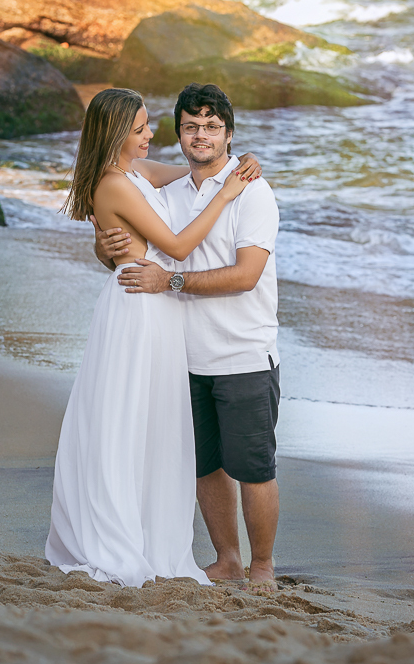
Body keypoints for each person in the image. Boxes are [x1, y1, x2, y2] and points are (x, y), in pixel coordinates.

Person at [45, 87, 258, 588]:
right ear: (117, 133)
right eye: (141, 128)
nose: (150, 134)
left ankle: (147, 533)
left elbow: (190, 172)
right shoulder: (113, 184)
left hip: (157, 305)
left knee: (155, 425)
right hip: (138, 307)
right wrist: (226, 195)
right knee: (126, 421)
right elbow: (178, 248)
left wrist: (236, 162)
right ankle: (117, 535)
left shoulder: (134, 172)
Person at [95, 83, 280, 591]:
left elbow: (246, 275)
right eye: (191, 126)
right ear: (179, 133)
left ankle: (263, 567)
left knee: (254, 468)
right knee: (204, 466)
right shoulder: (166, 191)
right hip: (180, 354)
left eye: (212, 126)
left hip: (242, 352)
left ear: (229, 134)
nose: (201, 135)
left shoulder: (252, 192)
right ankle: (228, 560)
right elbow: (135, 240)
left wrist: (171, 281)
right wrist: (104, 246)